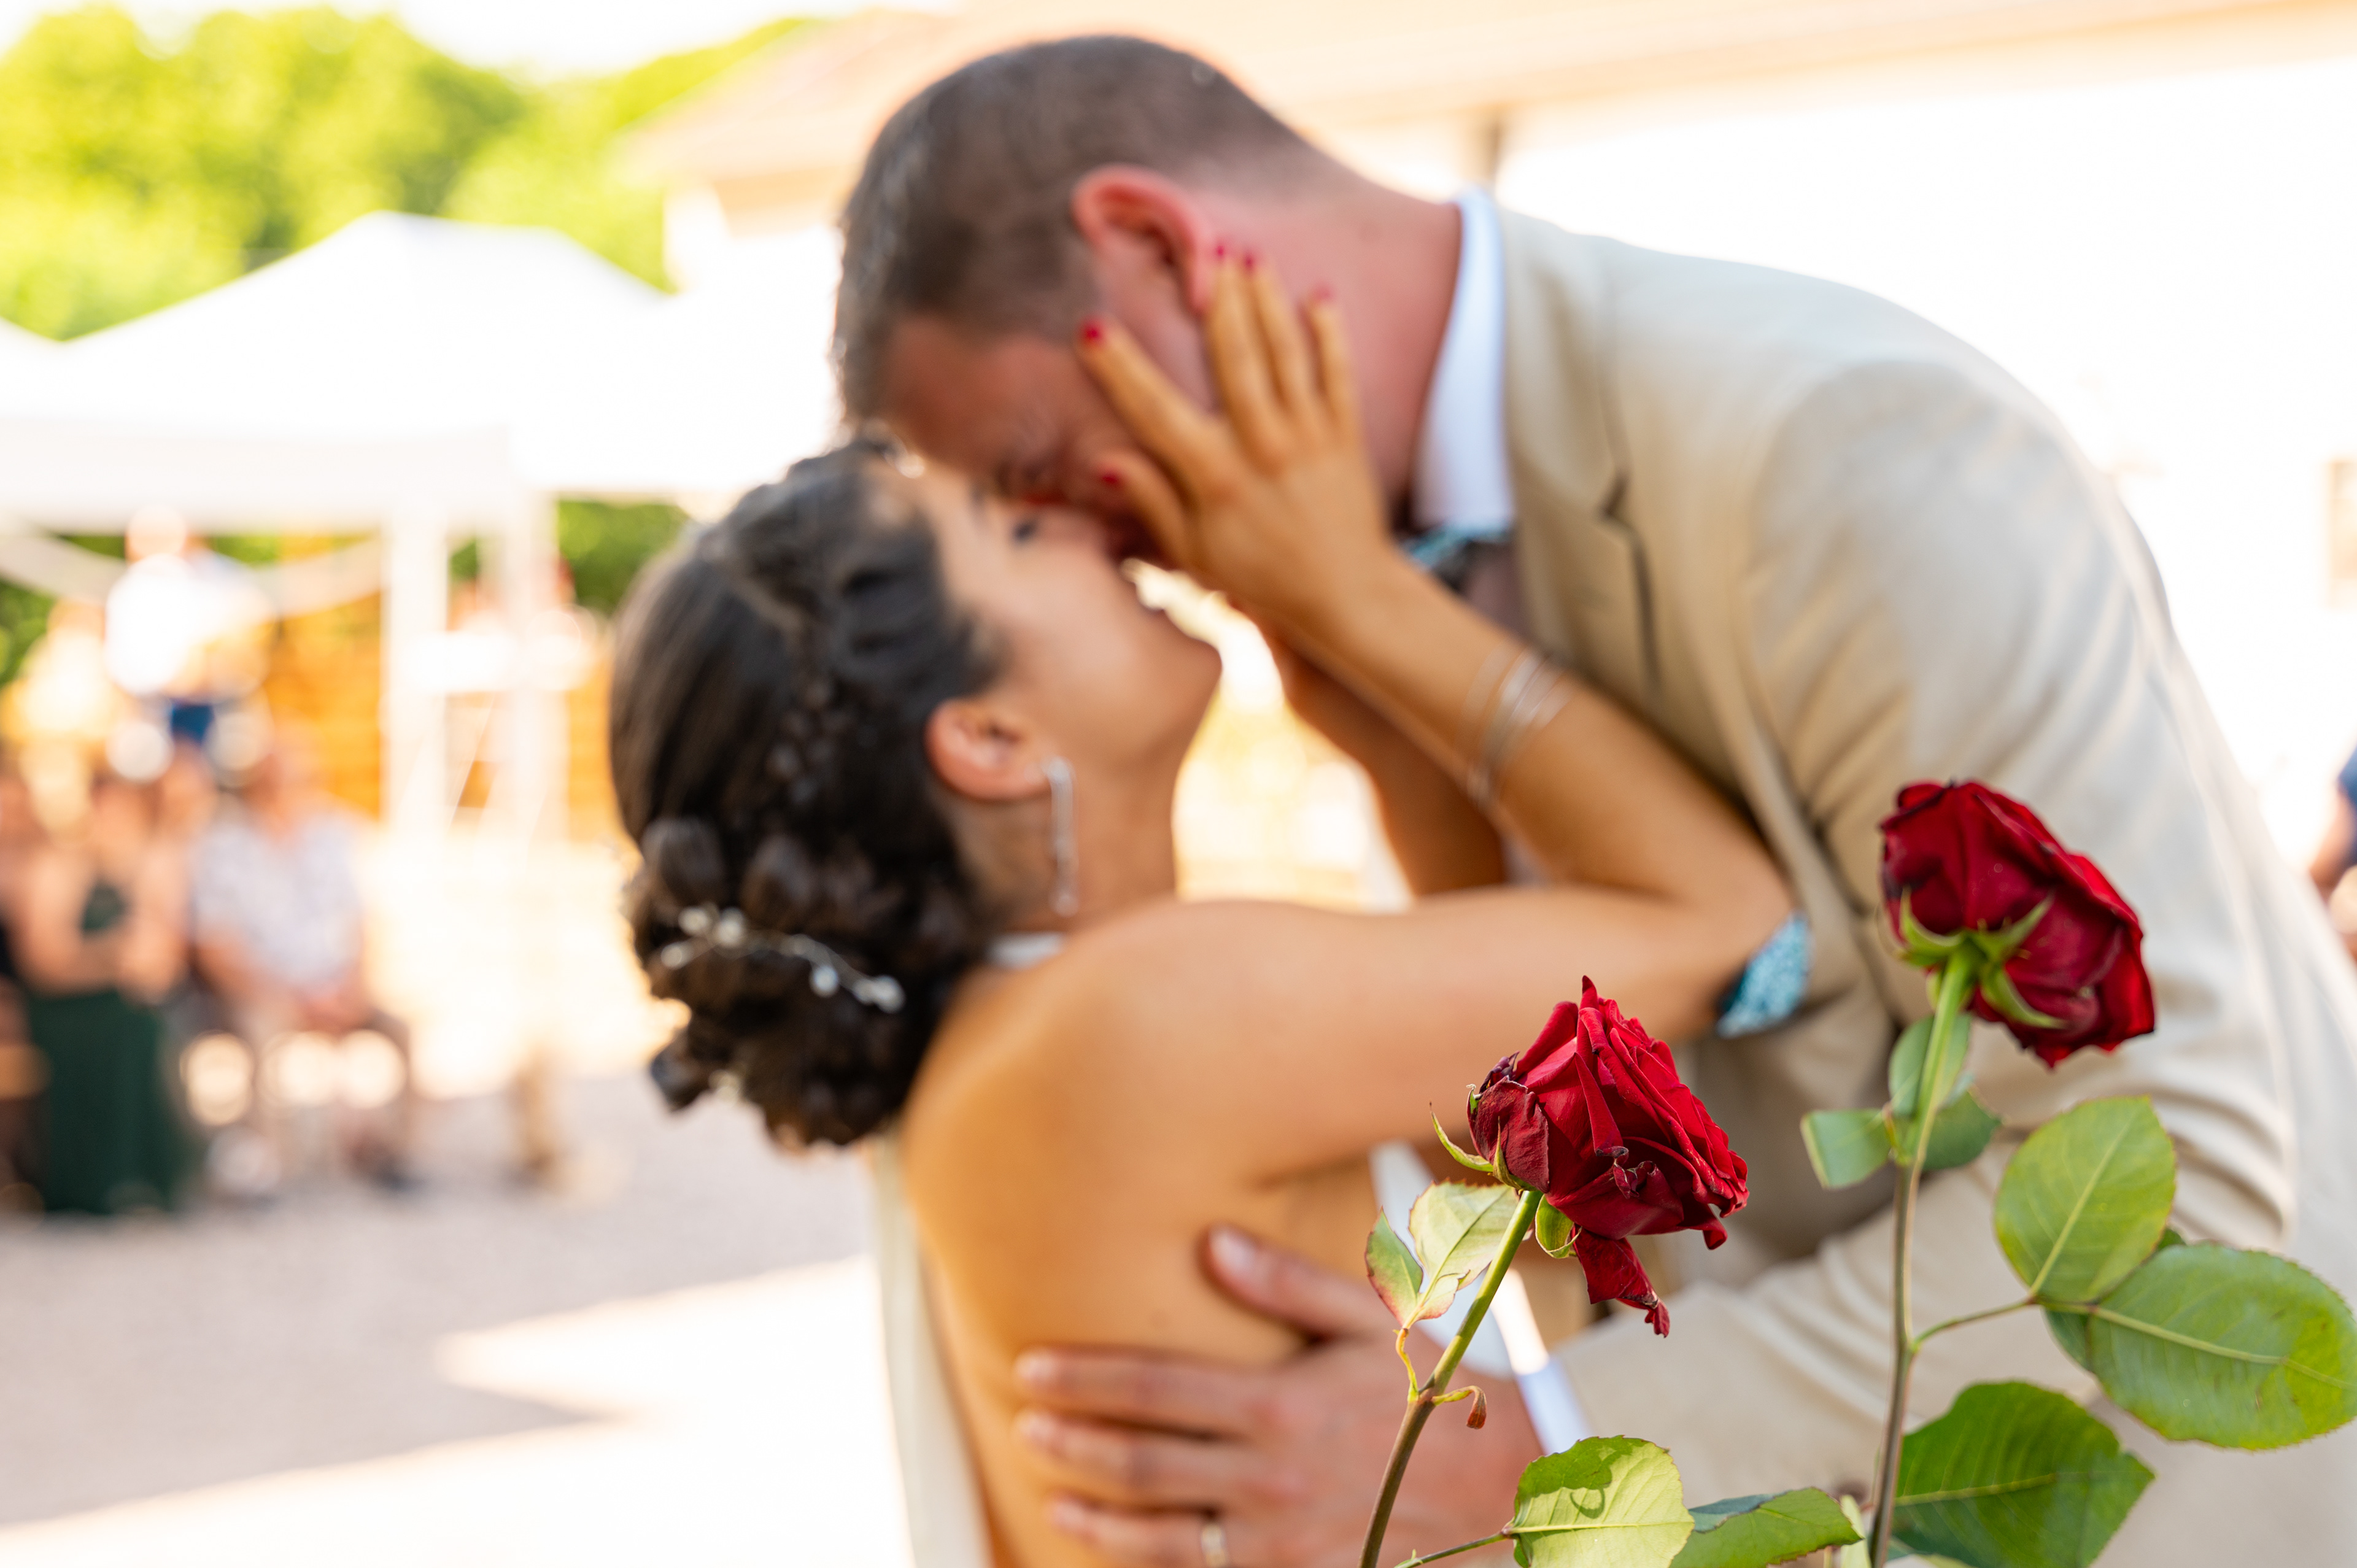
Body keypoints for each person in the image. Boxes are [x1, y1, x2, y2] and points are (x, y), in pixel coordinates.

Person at [829, 36, 2357, 1565]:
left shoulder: (1836, 449)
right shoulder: (1339, 607)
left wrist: (1555, 1444)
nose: (1116, 548)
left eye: (1054, 476)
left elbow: (2178, 1171)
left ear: (1158, 246)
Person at [609, 380, 1791, 1567]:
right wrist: (1367, 602)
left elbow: (1509, 1204)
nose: (1073, 514)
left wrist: (1385, 744)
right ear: (990, 741)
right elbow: (1727, 922)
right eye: (1017, 532)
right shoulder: (1135, 1017)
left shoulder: (1026, 1042)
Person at [190, 735, 416, 1190]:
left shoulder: (335, 836)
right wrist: (287, 994)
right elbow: (215, 944)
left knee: (405, 1031)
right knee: (261, 1029)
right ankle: (266, 1165)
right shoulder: (221, 845)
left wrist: (350, 987)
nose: (286, 791)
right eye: (274, 781)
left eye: (298, 780)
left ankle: (394, 1152)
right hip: (262, 989)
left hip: (334, 986)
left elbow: (362, 926)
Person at [11, 767, 195, 1215]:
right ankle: (97, 1180)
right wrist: (111, 959)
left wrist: (143, 965)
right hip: (62, 1006)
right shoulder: (58, 865)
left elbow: (167, 957)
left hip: (125, 1002)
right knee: (130, 1026)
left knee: (142, 1024)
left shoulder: (152, 863)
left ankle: (141, 1174)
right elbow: (45, 964)